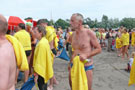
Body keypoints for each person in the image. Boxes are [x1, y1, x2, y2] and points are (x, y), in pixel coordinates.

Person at [68, 13, 101, 90]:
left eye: (72, 21)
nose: (70, 23)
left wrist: (86, 55)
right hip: (74, 65)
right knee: (73, 87)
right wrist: (70, 63)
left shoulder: (89, 33)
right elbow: (74, 51)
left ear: (79, 22)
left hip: (86, 66)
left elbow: (99, 49)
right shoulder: (72, 35)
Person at [0, 15, 28, 90]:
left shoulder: (2, 51)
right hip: (26, 50)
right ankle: (23, 79)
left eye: (17, 27)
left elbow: (2, 86)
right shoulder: (9, 44)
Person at [37, 19, 58, 90]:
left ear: (42, 24)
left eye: (39, 26)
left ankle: (51, 85)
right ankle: (54, 82)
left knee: (49, 68)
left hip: (50, 50)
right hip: (52, 49)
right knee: (49, 68)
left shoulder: (48, 30)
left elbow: (50, 43)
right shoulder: (51, 29)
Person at [33, 25, 54, 90]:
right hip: (44, 69)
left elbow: (40, 61)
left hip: (41, 71)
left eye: (35, 32)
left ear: (40, 32)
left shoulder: (41, 44)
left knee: (42, 86)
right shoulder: (45, 41)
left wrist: (36, 74)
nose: (34, 34)